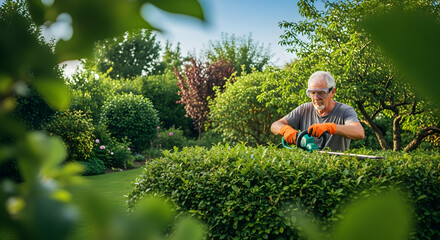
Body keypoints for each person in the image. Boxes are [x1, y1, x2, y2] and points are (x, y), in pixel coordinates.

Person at [271, 71, 364, 152]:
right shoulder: (304, 109)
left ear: (332, 92)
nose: (316, 98)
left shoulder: (345, 110)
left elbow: (359, 132)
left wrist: (331, 127)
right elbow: (275, 125)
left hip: (335, 167)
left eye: (321, 93)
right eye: (312, 93)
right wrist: (285, 130)